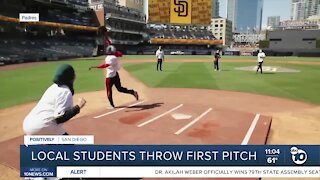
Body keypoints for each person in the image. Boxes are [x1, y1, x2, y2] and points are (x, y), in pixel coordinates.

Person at [23, 64, 86, 136]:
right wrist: (78, 107)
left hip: (28, 124)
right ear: (71, 77)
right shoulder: (65, 91)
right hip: (43, 127)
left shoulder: (53, 87)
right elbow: (60, 118)